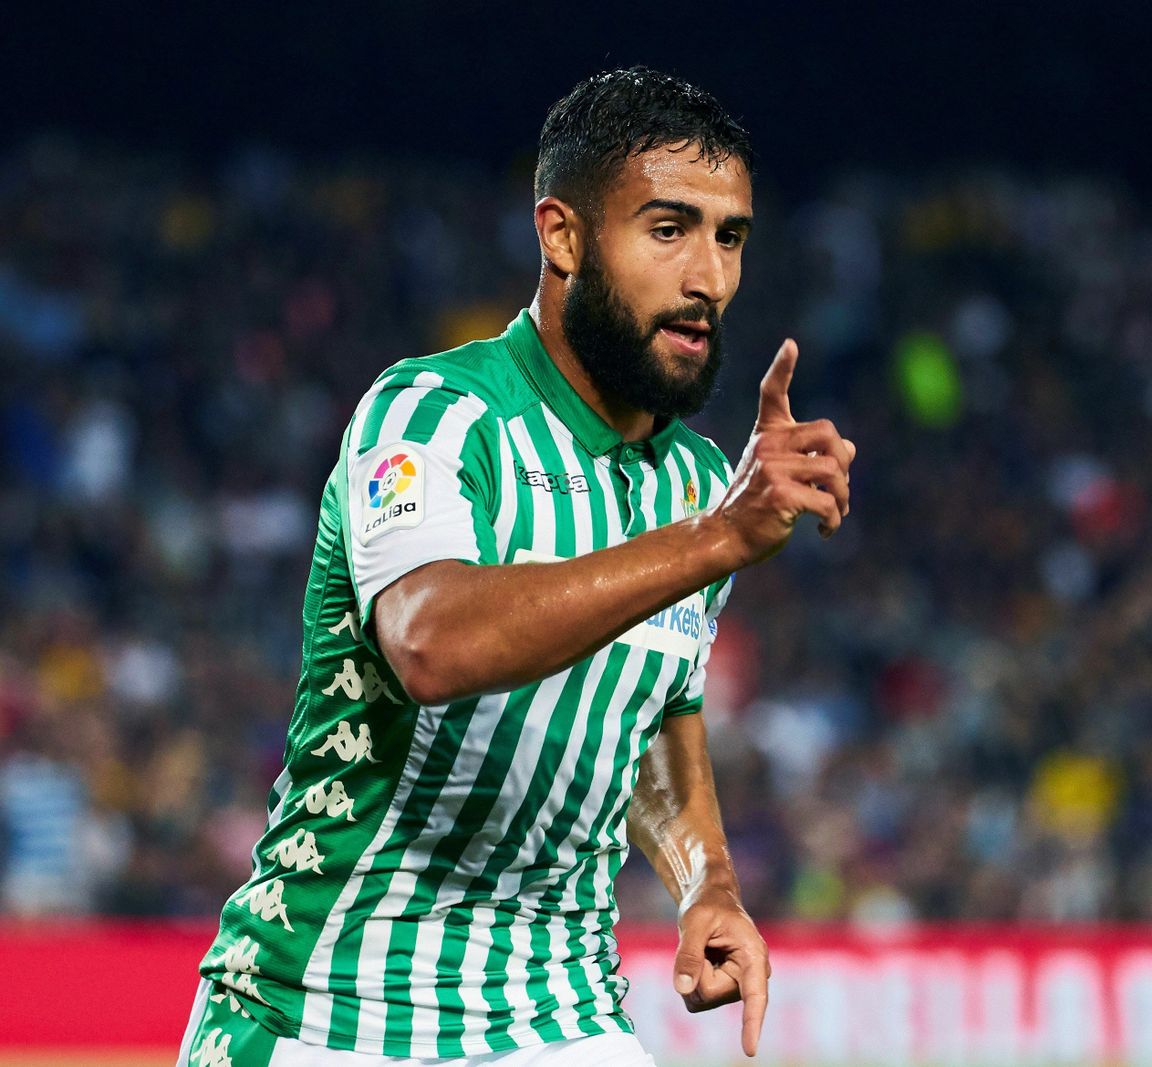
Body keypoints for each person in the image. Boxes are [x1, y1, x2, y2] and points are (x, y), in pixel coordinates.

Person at [178, 66, 854, 1067]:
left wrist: (705, 877)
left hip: (557, 1013)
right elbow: (432, 641)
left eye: (729, 236)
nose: (707, 275)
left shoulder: (700, 483)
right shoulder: (433, 416)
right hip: (329, 1011)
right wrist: (713, 540)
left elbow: (657, 706)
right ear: (562, 235)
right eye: (667, 230)